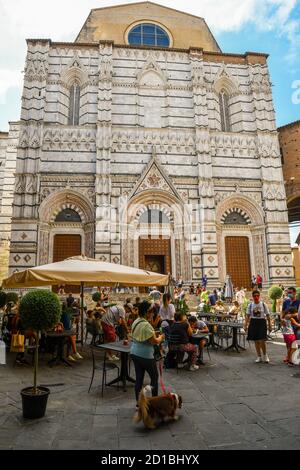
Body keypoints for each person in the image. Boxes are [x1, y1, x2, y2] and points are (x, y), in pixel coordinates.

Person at [130, 300, 164, 406]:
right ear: (146, 312)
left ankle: (139, 403)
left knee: (139, 379)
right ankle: (154, 403)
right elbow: (154, 341)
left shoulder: (136, 321)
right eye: (151, 312)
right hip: (146, 356)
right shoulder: (146, 325)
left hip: (134, 353)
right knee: (154, 378)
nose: (152, 314)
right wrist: (161, 337)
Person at [245, 290, 272, 363]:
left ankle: (265, 355)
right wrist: (245, 325)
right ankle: (259, 356)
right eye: (254, 296)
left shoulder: (263, 304)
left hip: (262, 322)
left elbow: (268, 315)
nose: (256, 297)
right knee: (256, 341)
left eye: (257, 296)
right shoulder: (250, 305)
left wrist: (270, 325)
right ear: (252, 297)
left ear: (259, 296)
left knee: (262, 340)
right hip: (253, 322)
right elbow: (247, 316)